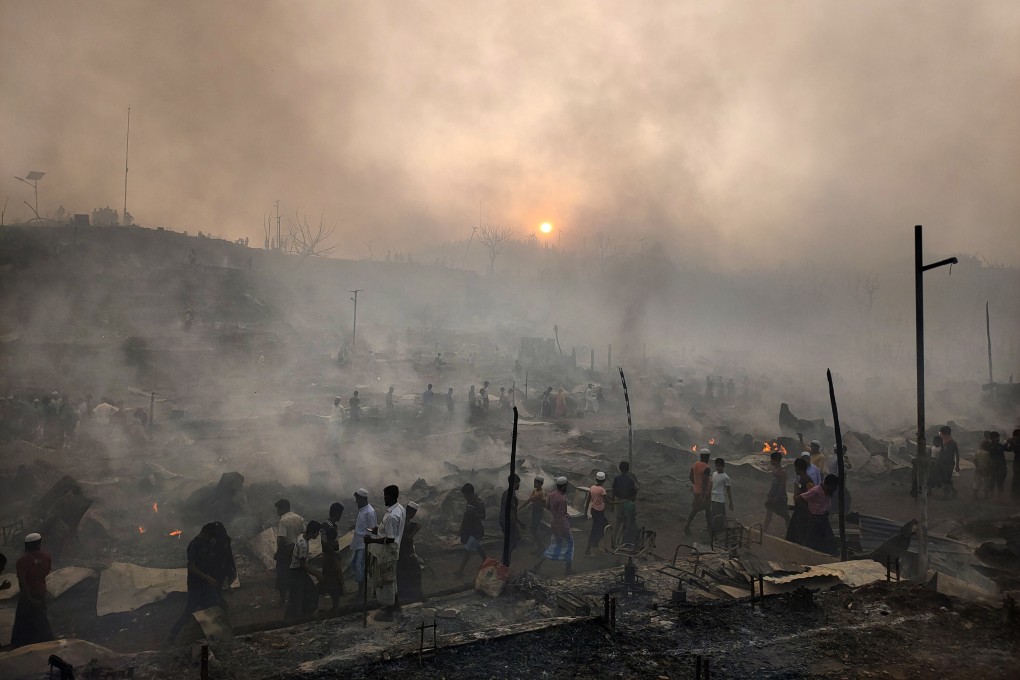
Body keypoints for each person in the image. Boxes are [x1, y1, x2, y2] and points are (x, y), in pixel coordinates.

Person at [169, 522, 237, 640]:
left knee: (218, 605)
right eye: (211, 536)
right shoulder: (194, 545)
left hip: (207, 585)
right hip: (196, 583)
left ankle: (220, 634)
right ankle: (174, 634)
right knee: (192, 609)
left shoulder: (207, 544)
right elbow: (191, 566)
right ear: (205, 534)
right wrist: (208, 578)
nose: (212, 539)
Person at [366, 485, 405, 621]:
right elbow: (388, 532)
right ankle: (396, 607)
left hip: (387, 554)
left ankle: (388, 614)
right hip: (392, 552)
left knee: (386, 583)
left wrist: (371, 540)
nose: (384, 499)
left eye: (385, 496)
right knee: (391, 581)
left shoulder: (392, 516)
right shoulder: (399, 509)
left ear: (391, 496)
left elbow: (390, 538)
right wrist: (376, 531)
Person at [11, 532, 54, 647]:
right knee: (41, 618)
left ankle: (22, 645)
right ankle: (44, 642)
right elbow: (46, 572)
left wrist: (28, 597)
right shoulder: (47, 558)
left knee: (23, 622)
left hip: (27, 594)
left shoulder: (22, 561)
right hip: (41, 592)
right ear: (38, 544)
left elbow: (22, 580)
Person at [533, 477, 573, 575]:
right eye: (566, 485)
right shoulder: (562, 499)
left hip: (554, 523)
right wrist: (559, 532)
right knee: (570, 546)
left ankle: (538, 564)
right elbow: (560, 517)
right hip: (562, 526)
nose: (567, 487)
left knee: (553, 547)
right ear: (563, 486)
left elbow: (548, 507)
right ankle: (568, 570)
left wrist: (559, 514)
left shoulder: (551, 495)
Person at [286, 521, 322, 623]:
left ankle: (301, 616)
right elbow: (303, 565)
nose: (318, 535)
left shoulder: (301, 537)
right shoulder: (303, 544)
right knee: (304, 594)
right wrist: (317, 574)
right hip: (298, 572)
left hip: (296, 571)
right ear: (312, 533)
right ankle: (298, 618)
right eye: (317, 533)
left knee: (300, 595)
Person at [274, 499, 305, 606]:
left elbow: (282, 539)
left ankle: (283, 599)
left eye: (278, 508)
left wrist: (279, 552)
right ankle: (296, 597)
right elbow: (303, 533)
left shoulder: (283, 521)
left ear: (283, 508)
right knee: (295, 573)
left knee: (282, 574)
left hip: (286, 551)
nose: (277, 511)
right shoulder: (299, 518)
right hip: (298, 550)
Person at [799, 474, 839, 556]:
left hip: (824, 518)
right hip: (815, 519)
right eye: (833, 487)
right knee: (810, 539)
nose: (833, 490)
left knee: (829, 538)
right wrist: (808, 511)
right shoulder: (815, 491)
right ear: (828, 485)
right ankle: (802, 555)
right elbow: (799, 498)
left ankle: (832, 556)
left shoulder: (827, 492)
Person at [455, 483, 487, 576]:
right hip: (470, 530)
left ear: (470, 493)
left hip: (476, 531)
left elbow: (484, 516)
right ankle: (486, 561)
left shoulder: (479, 503)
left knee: (467, 550)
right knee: (478, 546)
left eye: (465, 494)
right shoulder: (469, 501)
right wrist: (461, 528)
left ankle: (460, 571)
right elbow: (466, 516)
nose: (464, 497)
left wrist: (475, 514)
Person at [396, 501, 424, 605]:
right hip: (406, 555)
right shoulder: (405, 523)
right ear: (413, 513)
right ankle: (418, 597)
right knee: (416, 574)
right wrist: (413, 533)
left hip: (399, 555)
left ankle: (404, 597)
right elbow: (407, 540)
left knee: (403, 576)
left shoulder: (401, 519)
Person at [319, 502, 345, 612]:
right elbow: (329, 545)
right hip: (330, 557)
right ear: (336, 513)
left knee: (329, 581)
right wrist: (335, 556)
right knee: (334, 581)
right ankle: (335, 607)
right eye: (340, 514)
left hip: (327, 556)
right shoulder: (331, 527)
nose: (341, 516)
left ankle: (334, 606)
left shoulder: (326, 524)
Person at [352, 489, 378, 586]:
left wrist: (370, 543)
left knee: (360, 567)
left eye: (357, 499)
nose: (356, 501)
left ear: (363, 499)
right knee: (356, 565)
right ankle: (361, 589)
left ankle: (361, 592)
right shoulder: (362, 510)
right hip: (358, 543)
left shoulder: (370, 512)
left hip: (364, 544)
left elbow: (373, 530)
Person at [684, 450, 713, 535]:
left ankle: (687, 525)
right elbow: (704, 483)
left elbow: (690, 476)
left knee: (695, 509)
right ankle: (710, 529)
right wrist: (703, 496)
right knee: (708, 510)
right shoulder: (706, 468)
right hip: (705, 493)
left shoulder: (695, 464)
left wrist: (696, 484)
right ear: (707, 457)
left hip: (696, 491)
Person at [786, 457, 815, 544]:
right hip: (799, 509)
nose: (795, 470)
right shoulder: (802, 479)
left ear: (798, 468)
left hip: (804, 511)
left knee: (801, 532)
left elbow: (812, 495)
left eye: (795, 468)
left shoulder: (807, 481)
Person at [611, 461, 639, 544]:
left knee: (617, 523)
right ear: (628, 469)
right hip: (627, 502)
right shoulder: (630, 481)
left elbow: (613, 491)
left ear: (619, 469)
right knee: (626, 523)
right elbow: (633, 493)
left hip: (618, 501)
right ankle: (623, 543)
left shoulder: (616, 479)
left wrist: (613, 503)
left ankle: (613, 541)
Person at [763, 451, 790, 532]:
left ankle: (791, 532)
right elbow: (774, 485)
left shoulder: (782, 472)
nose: (771, 461)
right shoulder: (774, 471)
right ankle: (764, 531)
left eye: (772, 460)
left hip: (780, 497)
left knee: (786, 516)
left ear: (776, 460)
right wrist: (770, 494)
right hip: (773, 496)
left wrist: (776, 498)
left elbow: (782, 487)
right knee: (769, 515)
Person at [519, 476, 547, 551]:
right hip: (534, 512)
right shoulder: (535, 490)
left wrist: (536, 501)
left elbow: (544, 505)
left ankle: (542, 547)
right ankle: (539, 547)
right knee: (534, 530)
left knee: (535, 530)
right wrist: (520, 508)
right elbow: (529, 500)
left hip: (539, 512)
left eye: (536, 483)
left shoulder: (542, 493)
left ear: (540, 484)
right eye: (534, 482)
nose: (534, 484)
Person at [499, 474, 525, 554]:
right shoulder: (511, 496)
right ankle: (503, 562)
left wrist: (520, 523)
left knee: (511, 543)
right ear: (514, 483)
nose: (519, 485)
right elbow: (511, 514)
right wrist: (516, 528)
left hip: (504, 521)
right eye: (518, 483)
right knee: (512, 543)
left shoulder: (506, 493)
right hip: (508, 522)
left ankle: (504, 561)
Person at [709, 458, 733, 538]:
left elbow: (728, 491)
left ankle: (719, 531)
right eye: (716, 466)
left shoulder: (726, 477)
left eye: (719, 466)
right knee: (717, 515)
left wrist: (731, 503)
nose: (717, 468)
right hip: (713, 498)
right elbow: (711, 485)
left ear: (723, 466)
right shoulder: (714, 474)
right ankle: (719, 530)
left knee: (719, 515)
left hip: (720, 499)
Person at [586, 471, 609, 555]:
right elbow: (609, 502)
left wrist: (585, 513)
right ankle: (588, 549)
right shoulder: (602, 490)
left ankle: (594, 544)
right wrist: (620, 502)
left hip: (593, 511)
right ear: (604, 480)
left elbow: (588, 500)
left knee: (600, 528)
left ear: (596, 479)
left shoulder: (592, 487)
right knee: (598, 529)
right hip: (599, 512)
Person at [937, 425, 960, 498]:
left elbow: (957, 454)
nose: (941, 435)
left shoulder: (953, 443)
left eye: (942, 434)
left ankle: (946, 494)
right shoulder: (942, 442)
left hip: (949, 463)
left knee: (947, 479)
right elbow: (940, 453)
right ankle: (953, 491)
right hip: (942, 463)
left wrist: (957, 465)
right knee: (945, 479)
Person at [986, 432, 1008, 502]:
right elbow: (999, 450)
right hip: (994, 467)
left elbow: (1007, 449)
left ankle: (999, 499)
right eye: (997, 437)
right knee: (993, 483)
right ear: (993, 438)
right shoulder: (991, 446)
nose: (998, 439)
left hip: (1000, 466)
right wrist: (1007, 443)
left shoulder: (999, 445)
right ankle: (991, 498)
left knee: (1000, 483)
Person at [973, 432, 991, 500]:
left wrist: (977, 465)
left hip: (978, 468)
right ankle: (986, 496)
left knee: (977, 481)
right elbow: (989, 462)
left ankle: (975, 495)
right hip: (985, 469)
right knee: (986, 481)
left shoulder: (978, 452)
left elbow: (974, 460)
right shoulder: (987, 453)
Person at [1006, 429, 1020, 502]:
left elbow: (1008, 449)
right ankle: (1015, 496)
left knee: (1016, 479)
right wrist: (1008, 442)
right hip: (1017, 461)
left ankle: (1015, 496)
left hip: (1016, 461)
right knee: (1016, 479)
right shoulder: (1014, 442)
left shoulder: (1014, 441)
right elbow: (1008, 449)